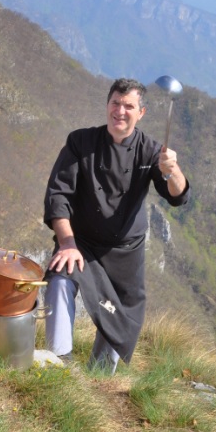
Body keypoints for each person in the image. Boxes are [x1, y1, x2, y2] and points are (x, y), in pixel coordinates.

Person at [43, 78, 190, 372]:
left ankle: (100, 379)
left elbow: (178, 196)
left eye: (128, 106)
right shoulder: (80, 142)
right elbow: (58, 195)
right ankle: (59, 364)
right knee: (60, 278)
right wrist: (67, 243)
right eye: (115, 103)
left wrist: (172, 170)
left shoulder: (151, 152)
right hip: (81, 243)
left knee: (119, 316)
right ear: (107, 104)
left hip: (125, 254)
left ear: (141, 113)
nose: (120, 111)